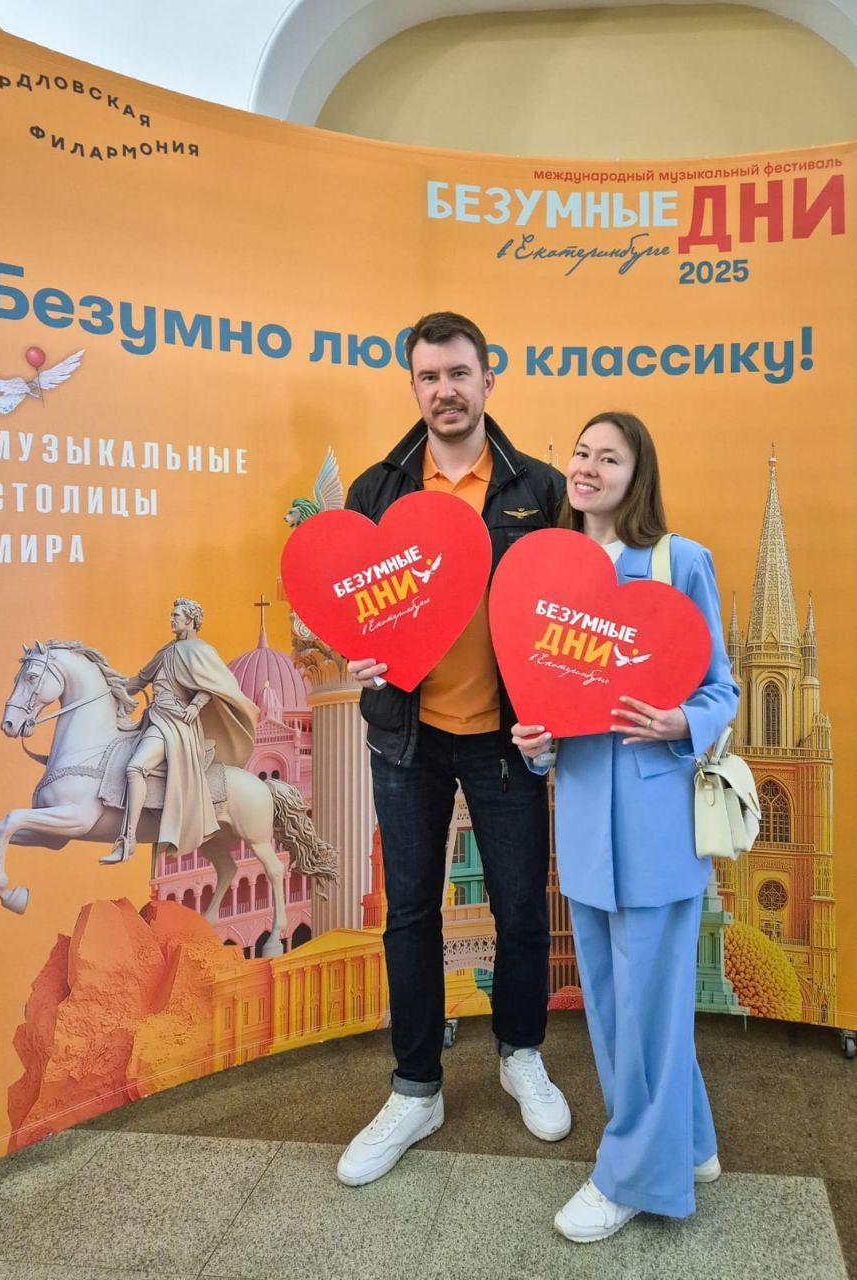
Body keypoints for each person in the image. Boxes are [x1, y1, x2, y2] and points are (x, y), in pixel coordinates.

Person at [337, 311, 570, 1187]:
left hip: (506, 739)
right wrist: (350, 650)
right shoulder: (376, 489)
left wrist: (554, 712)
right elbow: (349, 607)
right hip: (407, 739)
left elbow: (567, 607)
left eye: (459, 373)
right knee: (409, 913)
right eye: (429, 377)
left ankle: (520, 1054)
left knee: (520, 910)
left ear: (487, 379)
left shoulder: (540, 488)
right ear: (412, 387)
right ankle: (415, 1088)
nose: (445, 390)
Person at [513, 411, 739, 1242]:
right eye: (581, 452)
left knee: (644, 1013)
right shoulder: (549, 576)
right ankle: (689, 1143)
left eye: (608, 458)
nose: (587, 467)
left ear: (635, 476)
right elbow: (547, 708)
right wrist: (535, 747)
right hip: (582, 828)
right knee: (615, 1008)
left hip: (657, 829)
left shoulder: (680, 562)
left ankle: (631, 1178)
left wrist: (681, 722)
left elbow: (720, 690)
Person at [102, 597, 257, 864]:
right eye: (171, 615)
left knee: (135, 768)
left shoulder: (201, 651)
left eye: (176, 615)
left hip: (176, 725)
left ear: (191, 620)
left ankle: (128, 841)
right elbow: (139, 681)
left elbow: (215, 685)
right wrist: (104, 687)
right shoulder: (166, 651)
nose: (171, 619)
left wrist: (196, 705)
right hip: (155, 719)